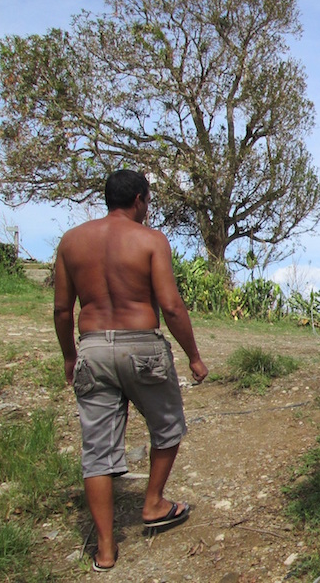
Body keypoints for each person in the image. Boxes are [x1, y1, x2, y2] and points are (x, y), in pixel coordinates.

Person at [53, 169, 208, 572]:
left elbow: (60, 309)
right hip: (141, 345)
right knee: (169, 425)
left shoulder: (71, 242)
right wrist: (193, 355)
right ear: (139, 199)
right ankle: (154, 502)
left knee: (98, 451)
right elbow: (171, 306)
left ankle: (105, 549)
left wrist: (70, 357)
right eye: (148, 201)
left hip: (92, 347)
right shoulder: (150, 240)